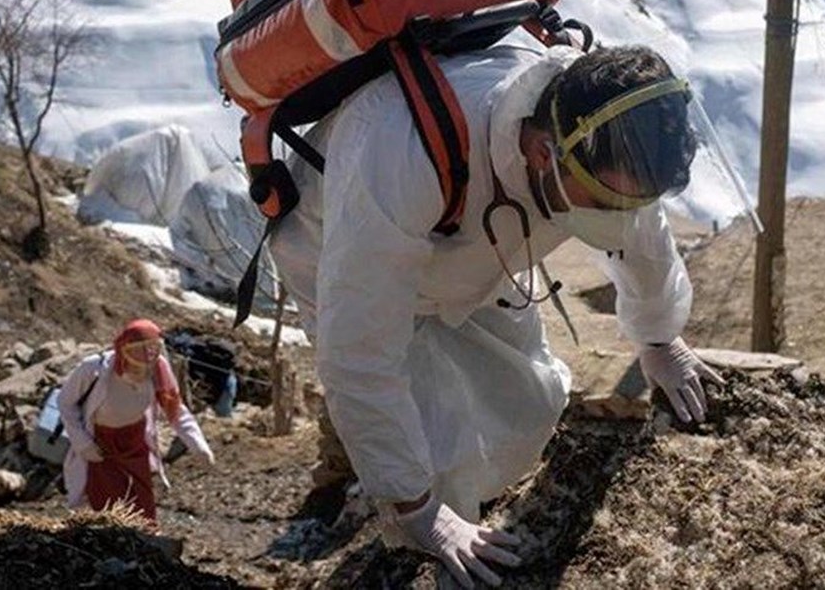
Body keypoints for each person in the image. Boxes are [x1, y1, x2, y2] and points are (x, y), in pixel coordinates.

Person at [268, 42, 725, 588]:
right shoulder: (398, 149)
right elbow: (359, 349)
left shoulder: (608, 130)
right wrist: (416, 507)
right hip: (341, 256)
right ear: (540, 151)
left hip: (476, 249)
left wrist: (658, 339)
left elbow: (644, 234)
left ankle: (463, 508)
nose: (617, 219)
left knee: (530, 401)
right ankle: (448, 560)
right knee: (443, 452)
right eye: (601, 205)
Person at [58, 318, 215, 526]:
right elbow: (65, 403)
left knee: (142, 502)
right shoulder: (94, 369)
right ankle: (111, 544)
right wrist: (83, 443)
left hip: (134, 443)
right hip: (101, 445)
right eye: (136, 352)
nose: (143, 360)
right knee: (108, 503)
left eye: (151, 350)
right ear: (123, 350)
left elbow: (175, 410)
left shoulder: (158, 369)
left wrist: (198, 445)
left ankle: (145, 543)